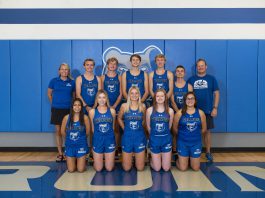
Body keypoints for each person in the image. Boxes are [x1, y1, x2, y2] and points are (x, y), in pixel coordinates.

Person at [188, 59, 219, 162]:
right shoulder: (191, 80)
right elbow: (188, 95)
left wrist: (215, 107)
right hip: (193, 111)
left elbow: (216, 93)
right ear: (196, 67)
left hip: (207, 110)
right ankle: (191, 152)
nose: (200, 67)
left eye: (202, 66)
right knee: (192, 131)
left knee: (207, 132)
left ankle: (208, 152)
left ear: (206, 67)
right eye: (198, 66)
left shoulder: (211, 79)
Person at [47, 63, 75, 162]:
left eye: (66, 69)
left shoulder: (72, 82)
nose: (64, 71)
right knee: (58, 131)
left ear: (68, 71)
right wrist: (54, 103)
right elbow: (49, 94)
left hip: (68, 110)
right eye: (62, 69)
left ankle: (68, 152)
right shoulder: (54, 81)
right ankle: (60, 153)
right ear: (59, 71)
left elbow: (74, 96)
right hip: (56, 109)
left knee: (68, 131)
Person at [173, 92, 206, 171]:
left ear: (195, 100)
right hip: (183, 143)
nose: (190, 100)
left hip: (195, 143)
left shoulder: (200, 113)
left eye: (192, 98)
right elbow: (174, 129)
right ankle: (178, 159)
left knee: (195, 168)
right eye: (188, 99)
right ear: (185, 101)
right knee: (183, 168)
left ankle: (187, 159)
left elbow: (204, 129)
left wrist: (194, 135)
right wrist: (184, 135)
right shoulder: (179, 113)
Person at [118, 86, 147, 171]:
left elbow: (144, 120)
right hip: (127, 137)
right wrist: (124, 128)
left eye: (136, 93)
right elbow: (119, 118)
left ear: (139, 95)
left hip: (139, 137)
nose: (134, 95)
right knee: (127, 168)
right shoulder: (124, 106)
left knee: (140, 168)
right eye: (132, 93)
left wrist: (140, 127)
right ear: (129, 95)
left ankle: (137, 159)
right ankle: (130, 160)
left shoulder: (143, 106)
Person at [146, 89, 174, 171]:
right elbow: (148, 127)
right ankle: (152, 159)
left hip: (166, 139)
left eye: (162, 96)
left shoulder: (170, 111)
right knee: (157, 168)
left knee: (166, 168)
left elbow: (169, 126)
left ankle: (161, 158)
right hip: (154, 140)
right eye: (157, 96)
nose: (160, 98)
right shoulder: (149, 110)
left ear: (165, 97)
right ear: (155, 98)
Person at [89, 90, 116, 171]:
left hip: (109, 139)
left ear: (106, 99)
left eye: (104, 97)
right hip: (98, 140)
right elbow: (93, 129)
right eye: (99, 97)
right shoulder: (92, 112)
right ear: (96, 99)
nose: (101, 100)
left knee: (109, 168)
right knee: (98, 169)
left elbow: (113, 127)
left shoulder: (112, 111)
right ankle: (96, 160)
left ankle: (109, 160)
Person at [61, 98, 90, 172]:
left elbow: (87, 132)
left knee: (80, 170)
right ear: (72, 106)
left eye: (79, 105)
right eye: (75, 105)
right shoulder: (66, 118)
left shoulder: (85, 118)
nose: (77, 107)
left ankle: (82, 159)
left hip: (81, 146)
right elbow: (62, 132)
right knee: (71, 170)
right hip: (70, 146)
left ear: (81, 106)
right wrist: (69, 139)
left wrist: (80, 139)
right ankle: (76, 159)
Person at [101, 57, 122, 156]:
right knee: (107, 128)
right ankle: (106, 147)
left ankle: (116, 147)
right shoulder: (103, 77)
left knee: (116, 128)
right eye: (110, 64)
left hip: (117, 105)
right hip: (105, 105)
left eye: (114, 64)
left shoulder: (120, 77)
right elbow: (101, 93)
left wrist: (114, 105)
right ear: (107, 65)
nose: (112, 66)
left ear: (116, 66)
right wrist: (108, 105)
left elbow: (121, 93)